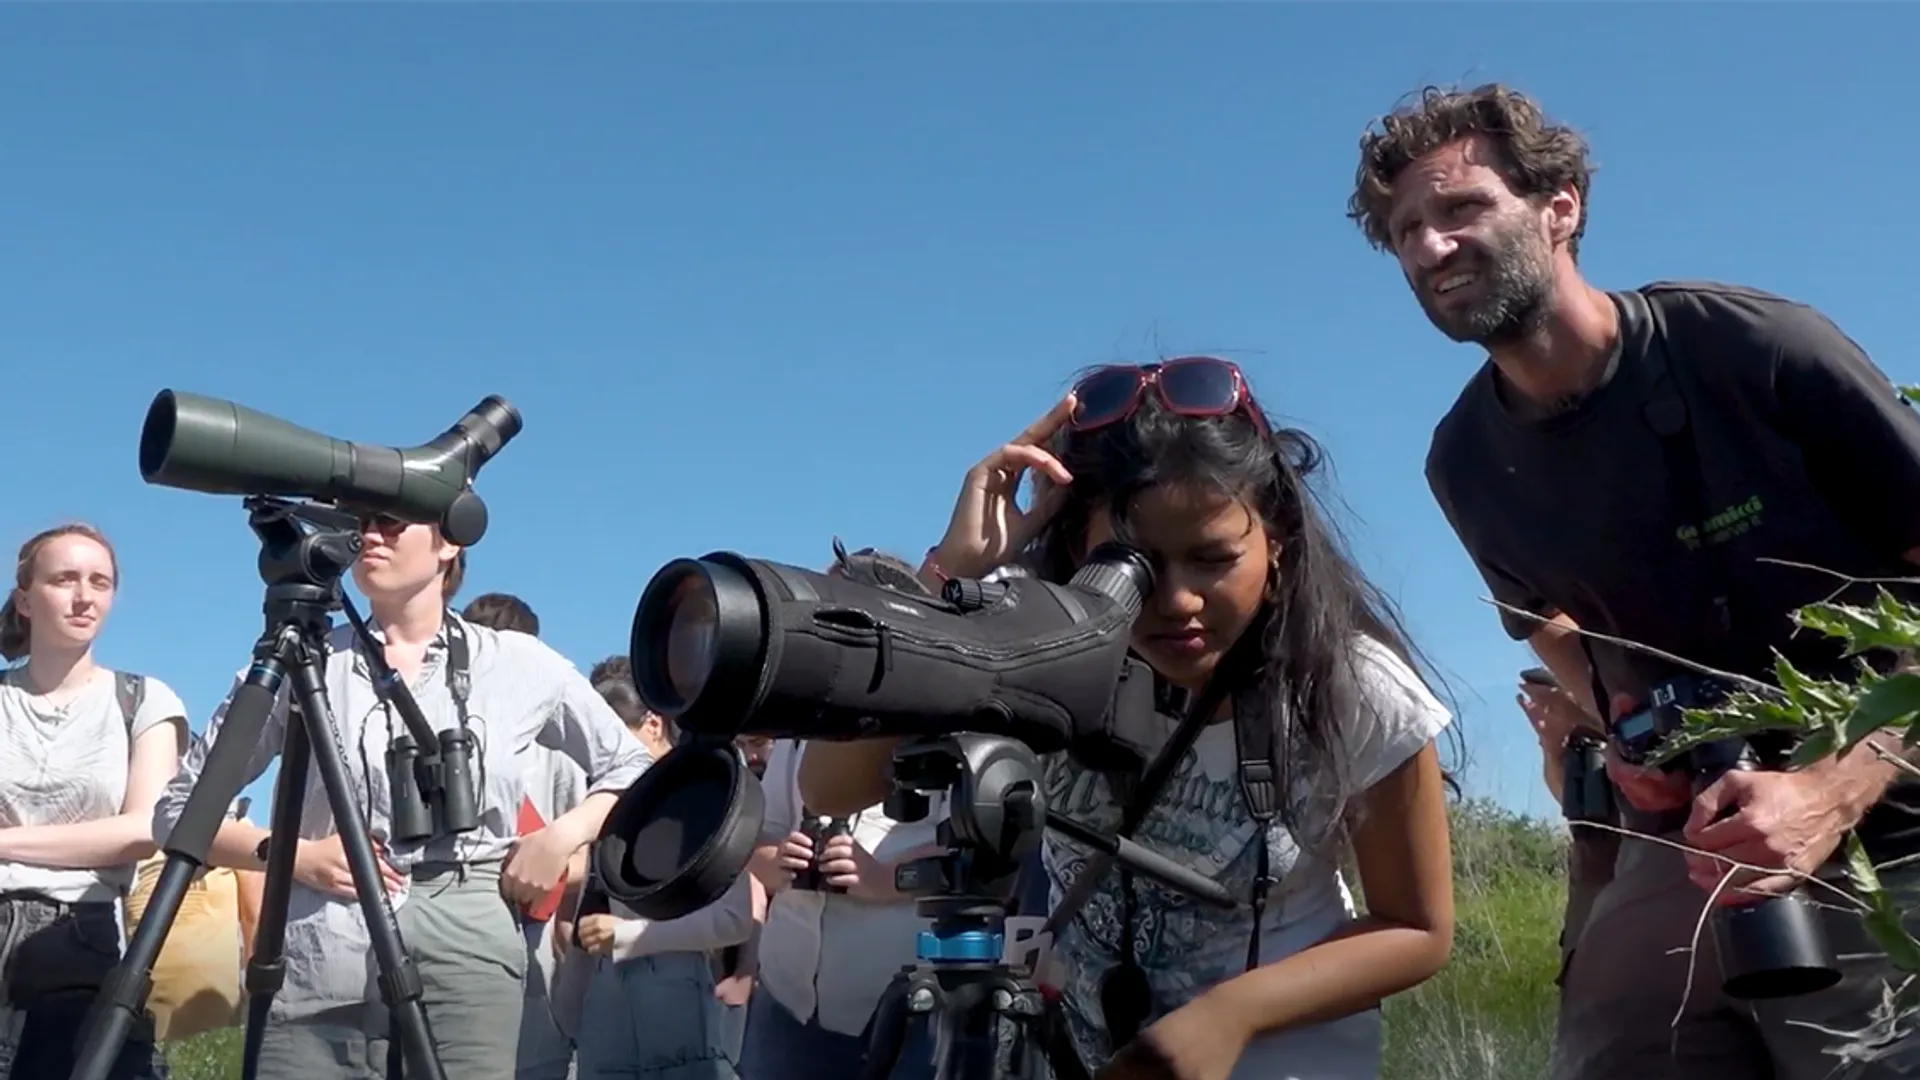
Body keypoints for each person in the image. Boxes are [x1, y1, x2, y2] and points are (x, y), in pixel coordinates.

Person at [1347, 82, 1920, 1080]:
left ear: (1561, 203)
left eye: (1461, 208)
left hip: (1891, 802)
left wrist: (1836, 786)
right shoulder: (1467, 462)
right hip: (1687, 833)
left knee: (1857, 1051)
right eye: (1405, 231)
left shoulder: (1752, 348)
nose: (1431, 248)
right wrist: (1623, 731)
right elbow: (1544, 623)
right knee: (1617, 1046)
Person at [800, 361, 1457, 1080]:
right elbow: (830, 788)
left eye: (1212, 559)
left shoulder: (1350, 685)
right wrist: (951, 579)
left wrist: (1229, 1015)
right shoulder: (1032, 644)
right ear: (1076, 552)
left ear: (1278, 550)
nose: (1176, 601)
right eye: (1135, 565)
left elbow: (1416, 928)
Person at [152, 511, 650, 1080]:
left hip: (470, 944)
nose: (370, 536)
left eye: (391, 523)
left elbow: (633, 766)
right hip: (326, 949)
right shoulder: (305, 661)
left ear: (449, 543)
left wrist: (560, 839)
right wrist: (297, 857)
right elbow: (177, 812)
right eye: (361, 523)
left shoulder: (516, 663)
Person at [0, 523, 188, 1080]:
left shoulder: (145, 700)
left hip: (78, 933)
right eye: (64, 579)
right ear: (26, 600)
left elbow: (143, 828)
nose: (84, 596)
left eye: (99, 582)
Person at [569, 662, 754, 1080]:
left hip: (675, 1003)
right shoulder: (606, 800)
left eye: (612, 738)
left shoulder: (704, 796)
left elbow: (735, 919)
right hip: (604, 1005)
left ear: (653, 725)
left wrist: (630, 936)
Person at [460, 590, 587, 1080]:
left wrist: (556, 887)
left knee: (534, 1063)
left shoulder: (554, 746)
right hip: (454, 925)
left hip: (531, 932)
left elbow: (586, 848)